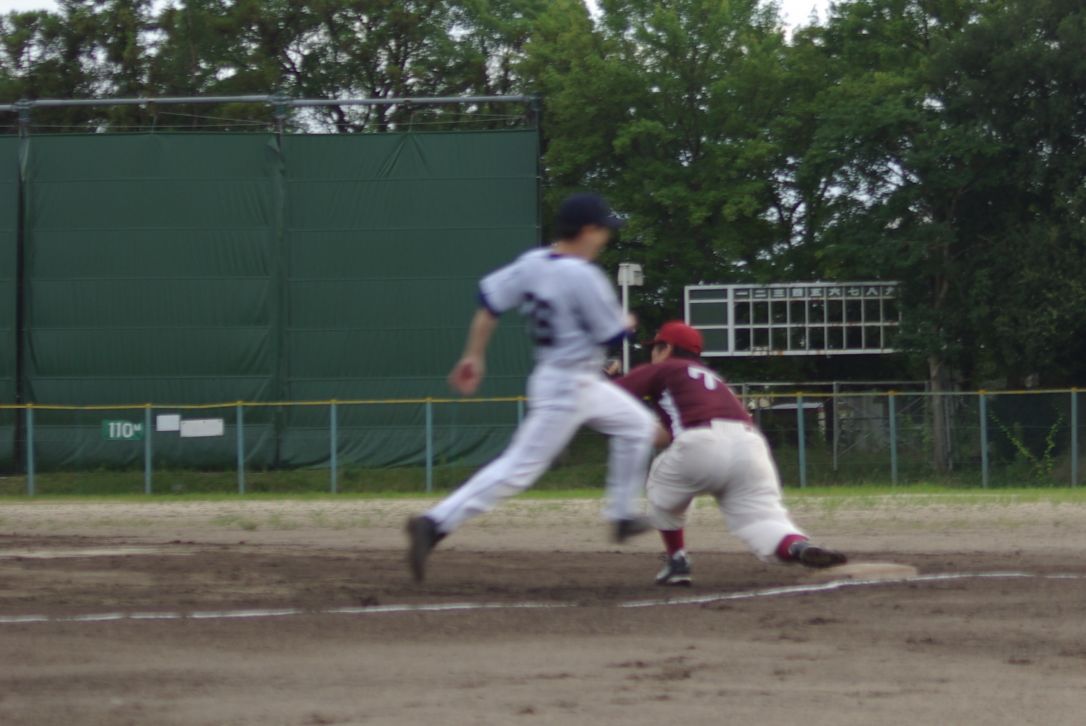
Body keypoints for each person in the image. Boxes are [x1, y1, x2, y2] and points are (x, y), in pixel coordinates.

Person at [405, 193, 658, 582]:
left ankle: (622, 515)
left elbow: (488, 303)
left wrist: (474, 355)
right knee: (517, 470)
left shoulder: (533, 264)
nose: (606, 238)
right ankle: (434, 523)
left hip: (573, 380)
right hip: (566, 386)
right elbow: (611, 335)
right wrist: (627, 323)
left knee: (637, 426)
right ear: (587, 231)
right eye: (603, 230)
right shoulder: (584, 275)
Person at [614, 321, 847, 586]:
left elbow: (610, 396)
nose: (652, 354)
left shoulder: (665, 368)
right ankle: (798, 547)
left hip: (701, 443)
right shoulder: (713, 381)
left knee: (662, 489)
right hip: (749, 446)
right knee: (763, 520)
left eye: (655, 348)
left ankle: (677, 560)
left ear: (666, 348)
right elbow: (667, 433)